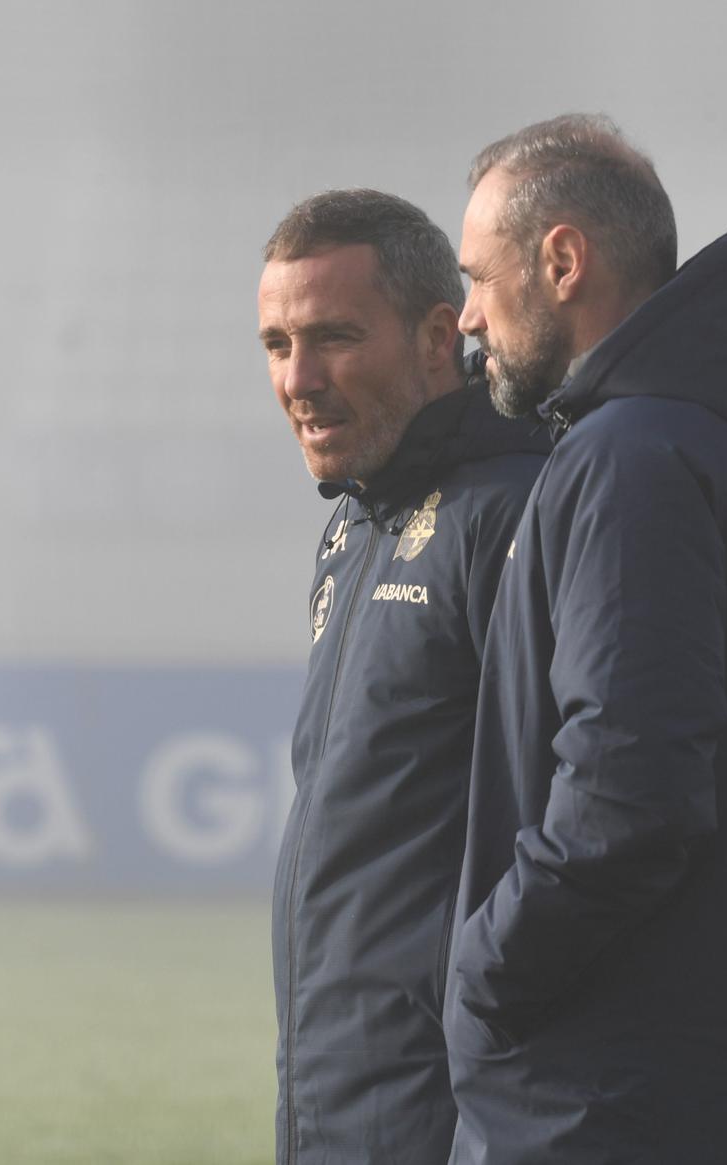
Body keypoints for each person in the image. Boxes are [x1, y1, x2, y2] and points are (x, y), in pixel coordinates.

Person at [444, 115, 727, 1163]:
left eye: (478, 279)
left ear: (562, 260)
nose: (465, 318)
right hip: (689, 1092)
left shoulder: (629, 457)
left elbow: (630, 791)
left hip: (603, 1107)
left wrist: (483, 971)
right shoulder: (712, 443)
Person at [257, 189, 551, 1165]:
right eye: (275, 344)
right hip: (332, 1093)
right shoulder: (352, 524)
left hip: (450, 1105)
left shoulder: (516, 512)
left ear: (437, 338)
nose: (299, 378)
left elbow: (581, 815)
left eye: (333, 337)